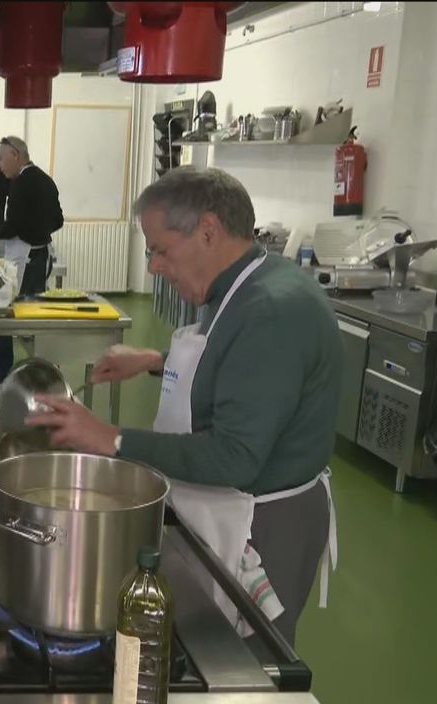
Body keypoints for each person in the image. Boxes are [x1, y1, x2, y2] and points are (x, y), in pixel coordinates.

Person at [27, 167, 340, 648]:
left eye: (159, 250)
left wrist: (111, 439)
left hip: (264, 525)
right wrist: (155, 359)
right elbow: (232, 363)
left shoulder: (271, 311)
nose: (152, 265)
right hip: (226, 507)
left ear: (209, 231)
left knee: (242, 665)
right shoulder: (240, 285)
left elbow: (236, 455)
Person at [0, 135, 63, 379]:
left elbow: (13, 226)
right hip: (41, 255)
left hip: (25, 260)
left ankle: (5, 374)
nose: (0, 167)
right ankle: (41, 373)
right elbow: (58, 220)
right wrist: (39, 232)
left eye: (1, 160)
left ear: (15, 155)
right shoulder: (46, 179)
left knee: (7, 316)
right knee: (34, 319)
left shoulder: (22, 183)